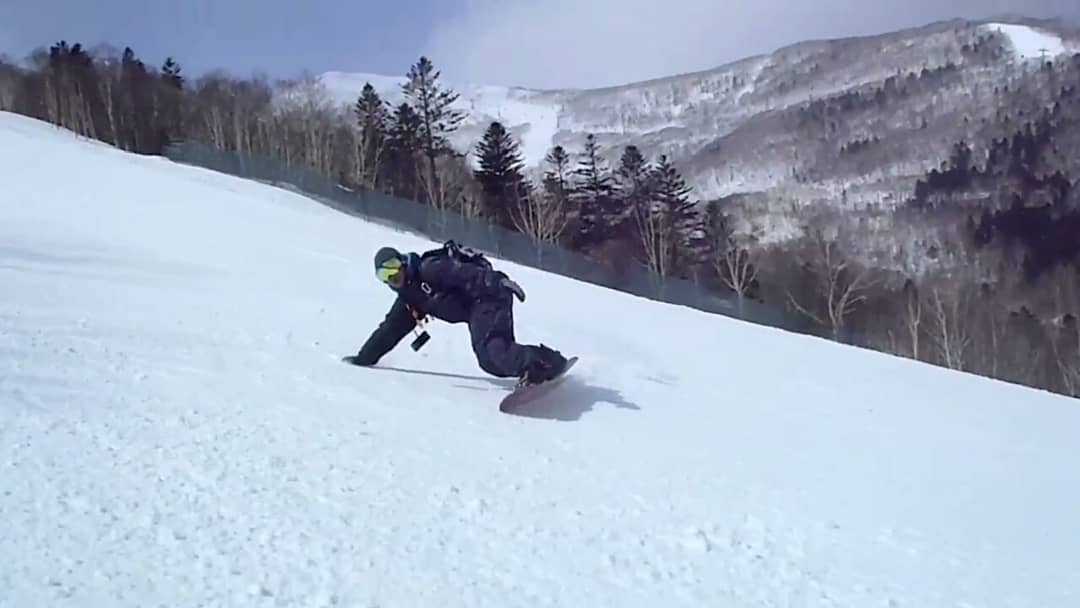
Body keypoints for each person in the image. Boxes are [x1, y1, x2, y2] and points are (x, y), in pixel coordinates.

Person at [343, 241, 569, 386]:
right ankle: (536, 366)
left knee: (496, 350)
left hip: (489, 295)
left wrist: (500, 281)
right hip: (476, 310)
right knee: (489, 363)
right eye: (384, 275)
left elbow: (468, 274)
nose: (392, 276)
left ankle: (546, 363)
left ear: (402, 261)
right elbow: (388, 332)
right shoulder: (409, 300)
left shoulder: (428, 268)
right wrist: (364, 359)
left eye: (393, 266)